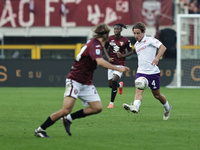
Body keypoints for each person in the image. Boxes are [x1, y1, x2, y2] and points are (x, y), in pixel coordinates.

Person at [34, 23, 130, 138]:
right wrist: (118, 68)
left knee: (97, 108)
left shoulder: (94, 43)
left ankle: (69, 119)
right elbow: (100, 62)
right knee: (65, 110)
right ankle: (40, 129)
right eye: (108, 33)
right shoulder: (95, 44)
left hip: (86, 82)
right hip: (75, 79)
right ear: (104, 34)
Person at [122, 22, 172, 120]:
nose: (136, 36)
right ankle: (135, 107)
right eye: (134, 33)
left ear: (143, 32)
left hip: (153, 73)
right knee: (138, 90)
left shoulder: (150, 40)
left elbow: (163, 47)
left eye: (138, 33)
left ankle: (167, 108)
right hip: (141, 72)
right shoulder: (136, 45)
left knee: (157, 95)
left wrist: (157, 57)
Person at [104, 23, 133, 108]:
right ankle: (120, 85)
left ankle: (111, 103)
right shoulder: (109, 39)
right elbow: (105, 48)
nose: (116, 30)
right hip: (111, 64)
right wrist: (108, 58)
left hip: (120, 64)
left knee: (114, 81)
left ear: (121, 30)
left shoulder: (126, 40)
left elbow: (131, 52)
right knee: (111, 85)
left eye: (118, 29)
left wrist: (122, 56)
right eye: (115, 29)